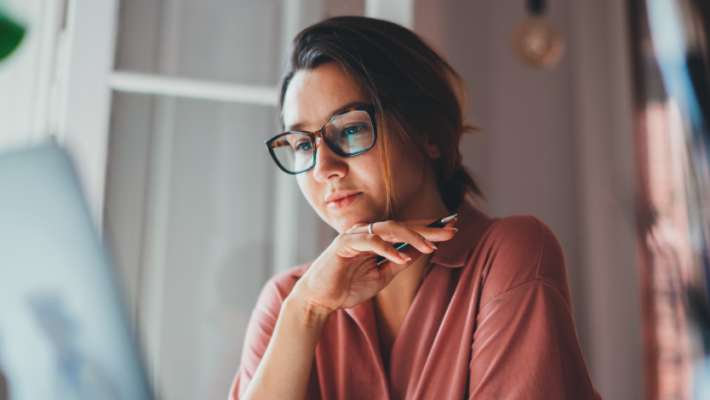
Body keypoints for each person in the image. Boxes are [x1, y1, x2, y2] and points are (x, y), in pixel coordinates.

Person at [230, 16, 600, 400]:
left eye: (351, 128)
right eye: (304, 145)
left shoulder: (509, 255)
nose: (324, 169)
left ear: (428, 133)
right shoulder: (289, 301)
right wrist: (305, 311)